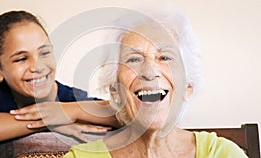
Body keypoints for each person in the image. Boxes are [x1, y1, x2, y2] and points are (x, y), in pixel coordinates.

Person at [62, 9, 248, 157]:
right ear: (115, 91)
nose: (149, 72)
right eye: (134, 59)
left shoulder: (222, 154)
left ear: (187, 87)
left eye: (165, 57)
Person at [0, 10, 117, 157]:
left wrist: (68, 111)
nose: (37, 66)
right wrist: (48, 120)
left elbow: (129, 115)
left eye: (44, 53)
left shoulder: (72, 99)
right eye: (21, 59)